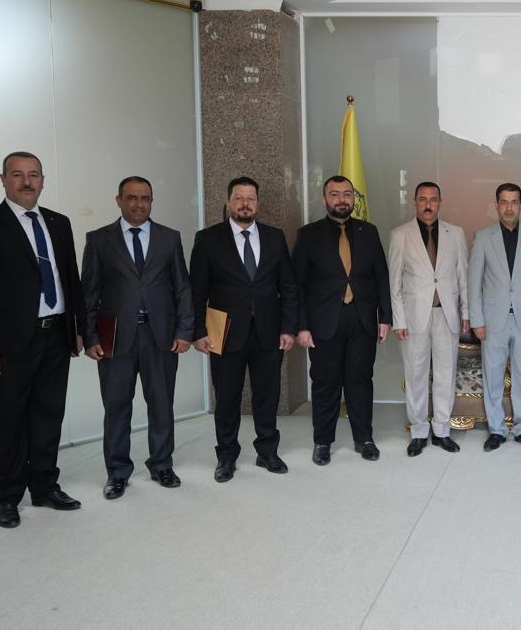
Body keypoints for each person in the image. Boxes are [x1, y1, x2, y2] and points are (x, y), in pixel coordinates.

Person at [0, 151, 85, 528]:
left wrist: (78, 329)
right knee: (6, 421)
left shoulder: (59, 223)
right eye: (17, 174)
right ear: (3, 179)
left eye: (34, 175)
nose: (26, 182)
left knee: (48, 416)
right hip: (7, 344)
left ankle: (44, 486)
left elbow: (71, 279)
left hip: (55, 336)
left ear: (43, 180)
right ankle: (6, 496)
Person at [81, 176, 193, 499]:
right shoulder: (99, 240)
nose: (139, 204)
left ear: (152, 201)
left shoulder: (169, 238)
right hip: (115, 338)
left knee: (161, 404)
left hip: (161, 336)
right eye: (131, 197)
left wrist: (184, 331)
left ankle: (162, 465)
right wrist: (89, 337)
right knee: (116, 407)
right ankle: (117, 472)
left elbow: (182, 288)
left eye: (145, 198)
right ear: (119, 200)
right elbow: (89, 292)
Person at [189, 177, 297, 482]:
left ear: (258, 204)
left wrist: (288, 327)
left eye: (250, 198)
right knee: (226, 398)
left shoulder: (275, 237)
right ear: (228, 203)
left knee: (267, 395)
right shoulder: (208, 239)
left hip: (269, 332)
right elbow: (196, 291)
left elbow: (288, 287)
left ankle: (267, 452)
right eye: (239, 198)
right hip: (222, 333)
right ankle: (226, 457)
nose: (245, 204)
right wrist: (198, 331)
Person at [293, 175, 391, 466]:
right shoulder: (308, 234)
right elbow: (297, 285)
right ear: (325, 199)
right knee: (325, 383)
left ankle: (364, 439)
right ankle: (322, 441)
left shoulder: (369, 232)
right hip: (323, 322)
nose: (341, 199)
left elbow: (381, 277)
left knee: (360, 380)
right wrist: (301, 325)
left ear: (353, 198)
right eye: (335, 194)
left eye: (347, 194)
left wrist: (385, 317)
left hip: (362, 318)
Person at [389, 182, 469, 456]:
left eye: (433, 199)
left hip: (447, 314)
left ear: (440, 202)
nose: (428, 204)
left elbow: (463, 276)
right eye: (423, 199)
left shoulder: (455, 233)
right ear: (414, 202)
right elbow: (394, 283)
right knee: (416, 375)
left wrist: (466, 313)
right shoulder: (400, 235)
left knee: (446, 374)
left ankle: (442, 430)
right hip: (413, 318)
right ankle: (419, 431)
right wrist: (399, 320)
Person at [468, 183, 521, 451]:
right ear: (496, 205)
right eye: (504, 202)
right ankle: (497, 430)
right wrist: (477, 319)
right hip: (492, 320)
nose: (509, 207)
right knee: (492, 376)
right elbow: (474, 282)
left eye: (514, 202)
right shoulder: (483, 237)